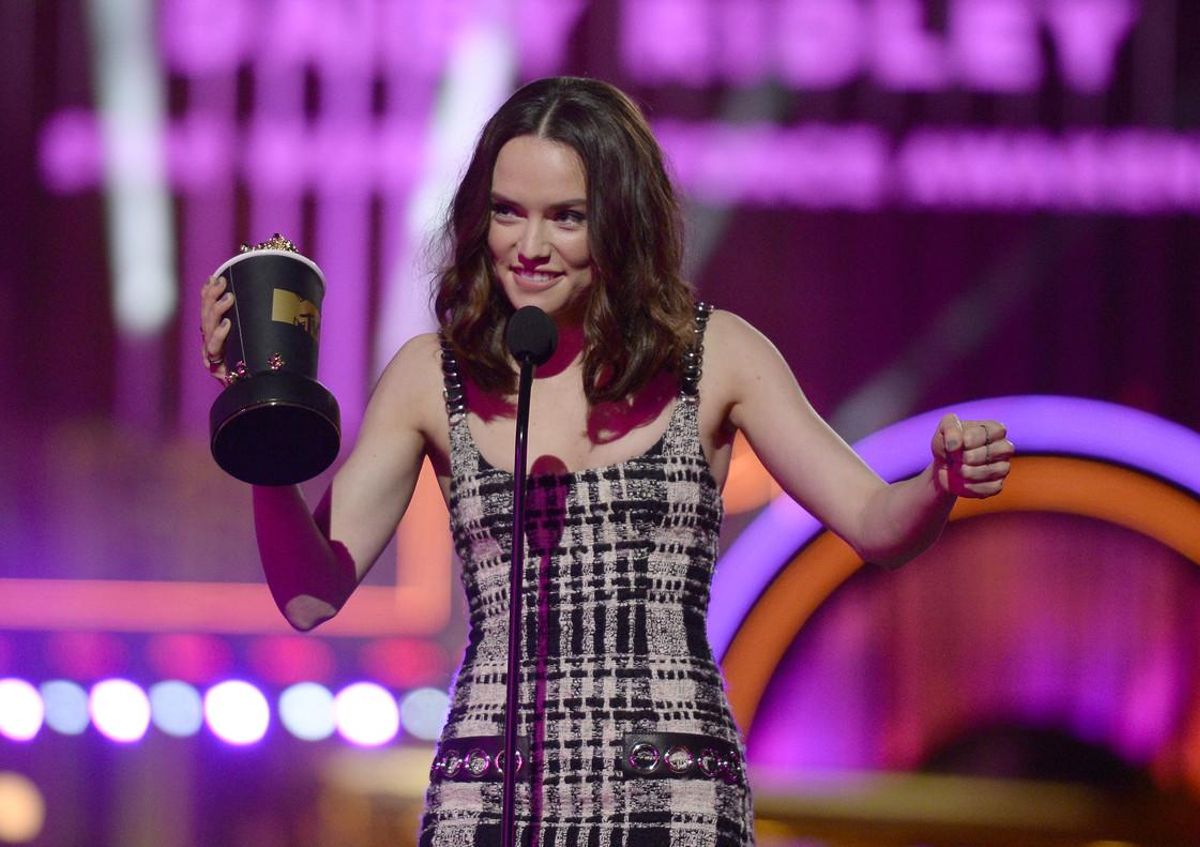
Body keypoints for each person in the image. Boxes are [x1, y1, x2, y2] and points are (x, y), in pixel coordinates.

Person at [200, 76, 1012, 847]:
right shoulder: (432, 375)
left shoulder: (715, 356)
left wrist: (936, 486)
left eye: (566, 217)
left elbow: (874, 521)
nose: (530, 246)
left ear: (621, 222)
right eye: (509, 213)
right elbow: (310, 596)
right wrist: (264, 427)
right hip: (491, 793)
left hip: (670, 786)